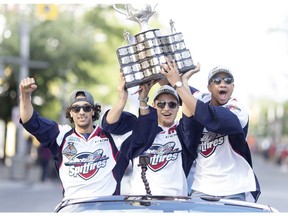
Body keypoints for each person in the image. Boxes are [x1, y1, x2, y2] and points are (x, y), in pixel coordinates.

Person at [19, 77, 152, 201]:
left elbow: (142, 136)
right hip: (72, 209)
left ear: (93, 111)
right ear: (70, 113)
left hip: (108, 209)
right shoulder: (61, 135)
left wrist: (133, 100)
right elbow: (30, 122)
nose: (81, 112)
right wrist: (25, 96)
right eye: (76, 109)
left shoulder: (112, 137)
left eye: (86, 108)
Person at [159, 60, 261, 202]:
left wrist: (179, 83)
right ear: (209, 87)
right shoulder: (201, 99)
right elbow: (171, 83)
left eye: (228, 80)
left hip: (233, 189)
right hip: (202, 189)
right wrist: (167, 71)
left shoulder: (238, 110)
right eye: (217, 80)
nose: (223, 84)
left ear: (233, 86)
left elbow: (211, 117)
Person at [102, 72, 203, 196]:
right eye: (161, 104)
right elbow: (109, 124)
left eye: (172, 104)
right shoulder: (138, 127)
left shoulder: (182, 132)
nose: (166, 108)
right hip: (141, 204)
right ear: (154, 106)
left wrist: (182, 82)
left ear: (178, 108)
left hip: (177, 204)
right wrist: (124, 98)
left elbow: (190, 115)